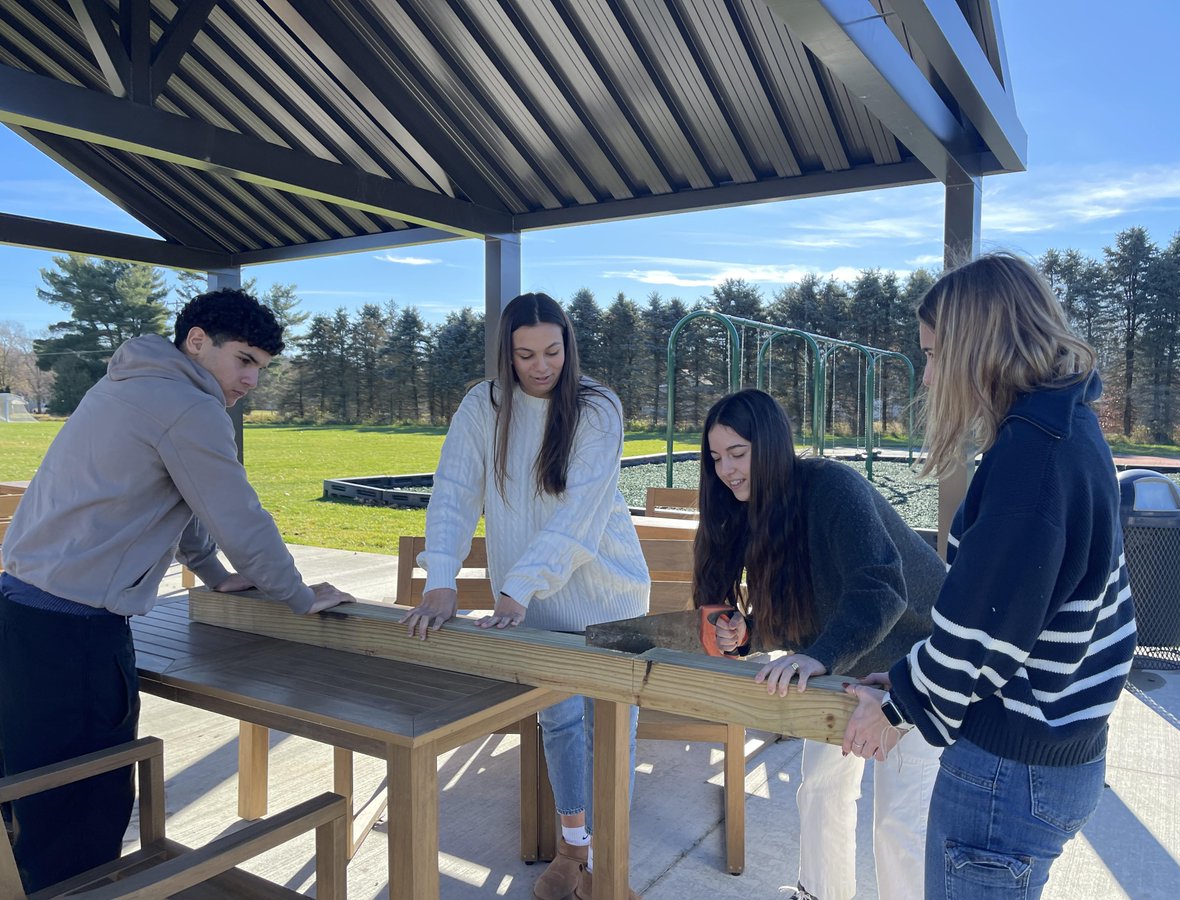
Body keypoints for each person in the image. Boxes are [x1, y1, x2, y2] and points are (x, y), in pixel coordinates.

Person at [0, 288, 356, 893]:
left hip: (18, 612)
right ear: (197, 342)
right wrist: (297, 595)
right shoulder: (191, 408)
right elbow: (237, 514)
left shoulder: (123, 386)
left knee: (29, 801)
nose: (251, 380)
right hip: (76, 636)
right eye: (244, 360)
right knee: (81, 816)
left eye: (261, 369)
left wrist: (213, 574)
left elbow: (176, 495)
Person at [844, 253, 1138, 900]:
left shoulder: (1031, 462)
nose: (926, 379)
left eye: (933, 355)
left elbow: (983, 634)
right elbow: (1018, 609)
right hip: (1060, 753)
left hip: (1010, 772)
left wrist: (895, 710)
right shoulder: (1068, 430)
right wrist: (907, 675)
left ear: (977, 350)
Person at [401, 292, 649, 900]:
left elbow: (578, 514)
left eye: (553, 352)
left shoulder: (598, 407)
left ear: (568, 345)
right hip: (532, 603)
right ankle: (572, 850)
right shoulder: (481, 406)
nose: (541, 367)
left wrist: (515, 588)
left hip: (608, 596)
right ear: (506, 356)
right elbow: (455, 491)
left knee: (610, 726)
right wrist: (441, 580)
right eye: (525, 355)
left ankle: (607, 865)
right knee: (559, 722)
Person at [695, 388, 947, 900]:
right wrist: (750, 634)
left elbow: (882, 588)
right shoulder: (757, 510)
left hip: (919, 664)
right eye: (717, 457)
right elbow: (806, 603)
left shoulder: (832, 487)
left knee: (899, 822)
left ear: (770, 446)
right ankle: (819, 894)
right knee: (821, 792)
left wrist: (819, 655)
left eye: (738, 453)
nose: (726, 469)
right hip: (844, 665)